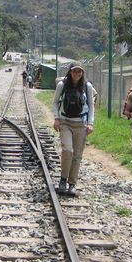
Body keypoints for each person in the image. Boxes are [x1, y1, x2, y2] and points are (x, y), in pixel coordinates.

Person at [53, 63, 95, 196]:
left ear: (82, 73)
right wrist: (56, 118)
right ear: (70, 72)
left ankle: (72, 184)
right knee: (67, 150)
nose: (77, 74)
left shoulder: (87, 86)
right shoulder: (62, 85)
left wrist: (90, 123)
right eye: (74, 71)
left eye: (79, 72)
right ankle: (63, 180)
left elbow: (91, 106)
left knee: (77, 155)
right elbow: (55, 102)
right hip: (66, 122)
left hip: (81, 124)